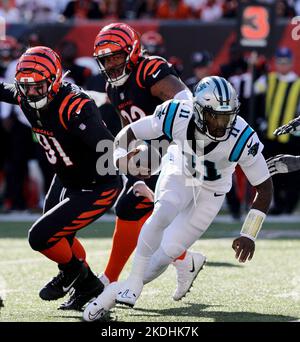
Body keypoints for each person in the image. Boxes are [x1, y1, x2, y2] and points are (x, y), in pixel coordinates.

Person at [63, 22, 207, 311]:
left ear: (132, 51)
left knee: (132, 207)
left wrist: (168, 149)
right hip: (154, 155)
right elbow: (131, 130)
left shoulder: (150, 70)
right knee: (137, 210)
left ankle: (112, 281)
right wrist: (130, 154)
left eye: (117, 56)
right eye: (106, 58)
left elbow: (186, 104)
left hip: (180, 150)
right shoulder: (113, 88)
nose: (112, 64)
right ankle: (184, 259)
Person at [109, 76, 273, 309]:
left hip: (211, 192)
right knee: (163, 211)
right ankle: (132, 284)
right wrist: (119, 157)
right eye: (214, 116)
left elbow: (264, 188)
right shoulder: (177, 114)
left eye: (227, 117)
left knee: (164, 256)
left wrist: (249, 233)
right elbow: (130, 132)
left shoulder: (243, 137)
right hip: (179, 169)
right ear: (197, 109)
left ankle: (172, 268)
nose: (221, 124)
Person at [0, 46, 123, 307]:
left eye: (38, 86)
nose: (31, 93)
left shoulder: (74, 106)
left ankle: (71, 272)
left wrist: (135, 164)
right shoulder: (25, 95)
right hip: (66, 177)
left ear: (55, 81)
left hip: (96, 185)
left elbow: (106, 147)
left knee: (41, 236)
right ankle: (89, 286)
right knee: (61, 238)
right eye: (26, 86)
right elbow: (5, 90)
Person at [254, 47, 300, 215]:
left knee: (293, 174)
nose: (282, 65)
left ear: (291, 63)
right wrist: (257, 68)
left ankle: (290, 204)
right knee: (272, 171)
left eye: (285, 62)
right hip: (271, 135)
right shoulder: (268, 79)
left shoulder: (298, 83)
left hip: (292, 138)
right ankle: (278, 204)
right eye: (279, 62)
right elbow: (253, 91)